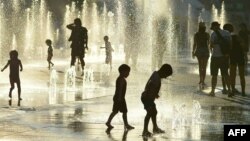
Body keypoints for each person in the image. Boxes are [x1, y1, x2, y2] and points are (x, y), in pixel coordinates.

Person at [141, 64, 173, 137]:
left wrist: (155, 94)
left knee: (154, 112)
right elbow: (149, 85)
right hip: (147, 98)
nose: (165, 77)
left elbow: (149, 84)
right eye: (166, 75)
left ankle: (155, 128)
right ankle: (145, 130)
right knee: (149, 113)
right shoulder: (156, 78)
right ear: (163, 72)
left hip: (149, 98)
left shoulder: (155, 74)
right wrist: (149, 95)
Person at [106, 64, 134, 130]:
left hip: (119, 97)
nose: (128, 74)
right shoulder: (121, 79)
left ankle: (109, 122)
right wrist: (119, 99)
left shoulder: (121, 79)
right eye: (127, 72)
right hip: (120, 98)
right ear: (122, 72)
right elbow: (120, 89)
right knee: (121, 111)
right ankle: (126, 125)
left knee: (117, 111)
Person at [209, 21, 233, 97]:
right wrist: (227, 54)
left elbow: (211, 45)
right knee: (226, 74)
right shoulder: (227, 33)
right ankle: (229, 90)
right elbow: (230, 44)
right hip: (224, 57)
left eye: (212, 28)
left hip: (215, 57)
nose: (212, 29)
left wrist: (214, 45)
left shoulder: (213, 34)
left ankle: (213, 91)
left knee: (214, 75)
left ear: (214, 27)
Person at [224, 24, 246, 96]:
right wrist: (244, 54)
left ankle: (233, 91)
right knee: (241, 75)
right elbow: (242, 45)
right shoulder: (235, 36)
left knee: (232, 75)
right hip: (239, 57)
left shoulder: (228, 37)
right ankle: (243, 92)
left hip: (233, 57)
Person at [192, 22, 210, 89]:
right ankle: (203, 81)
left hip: (199, 50)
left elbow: (194, 44)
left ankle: (201, 80)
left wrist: (193, 51)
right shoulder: (207, 34)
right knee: (204, 67)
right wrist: (211, 50)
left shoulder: (196, 34)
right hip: (205, 51)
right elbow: (209, 43)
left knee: (200, 66)